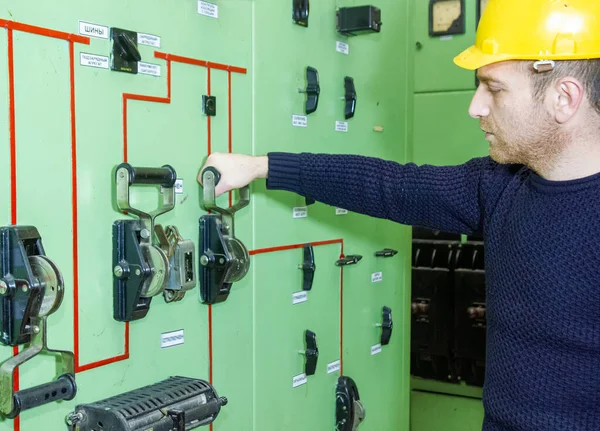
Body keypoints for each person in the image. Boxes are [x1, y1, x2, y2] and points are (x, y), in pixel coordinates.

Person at [199, 0, 600, 429]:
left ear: (564, 97)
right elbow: (390, 186)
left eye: (494, 88)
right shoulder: (500, 185)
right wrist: (261, 167)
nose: (476, 107)